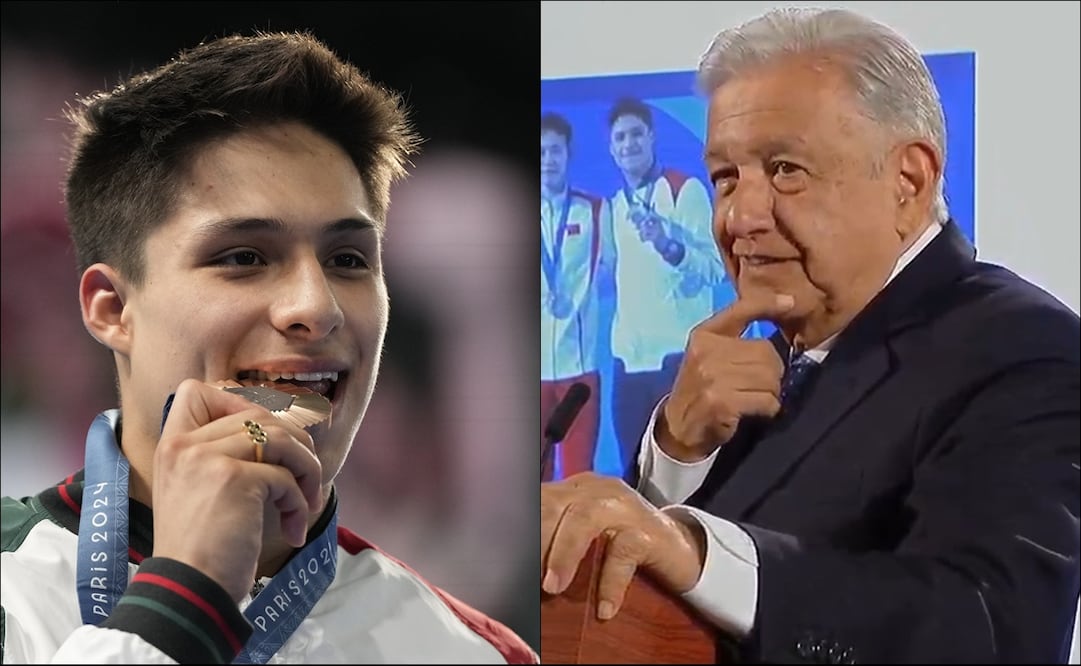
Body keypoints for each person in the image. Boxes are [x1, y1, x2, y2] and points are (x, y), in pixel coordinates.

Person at [540, 7, 1080, 664]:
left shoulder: (1021, 346)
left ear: (907, 182)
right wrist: (675, 456)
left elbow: (989, 627)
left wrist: (693, 552)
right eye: (724, 177)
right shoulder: (747, 372)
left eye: (785, 170)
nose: (738, 216)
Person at [0, 31, 536, 664]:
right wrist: (185, 598)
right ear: (114, 310)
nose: (317, 306)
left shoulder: (479, 652)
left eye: (347, 259)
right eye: (244, 257)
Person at [603, 97, 726, 476]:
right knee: (632, 478)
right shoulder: (614, 204)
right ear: (611, 148)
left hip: (677, 360)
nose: (629, 144)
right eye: (620, 137)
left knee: (684, 478)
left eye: (636, 134)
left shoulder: (684, 189)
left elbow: (715, 269)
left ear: (652, 137)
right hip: (628, 363)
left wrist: (670, 247)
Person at [540, 111, 607, 480]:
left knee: (580, 477)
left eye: (554, 151)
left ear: (568, 154)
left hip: (579, 369)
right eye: (541, 153)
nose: (547, 160)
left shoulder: (595, 210)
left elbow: (614, 270)